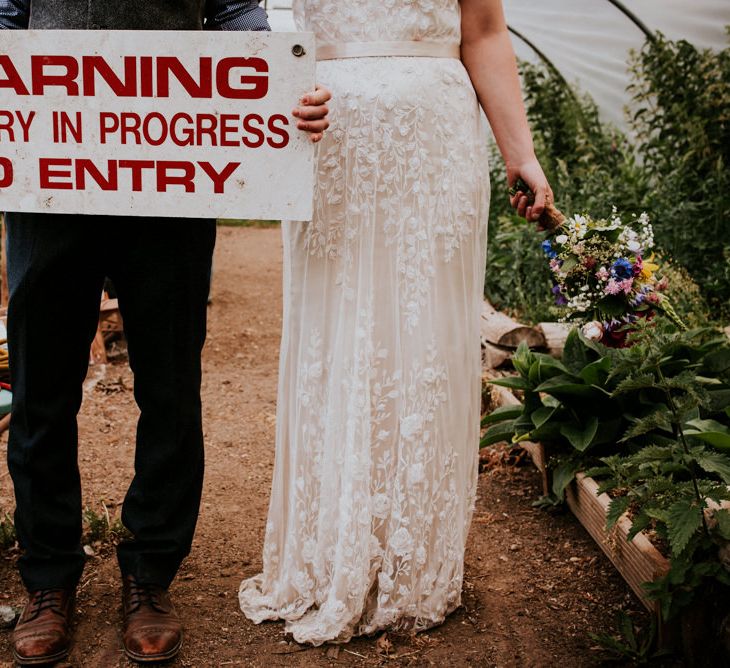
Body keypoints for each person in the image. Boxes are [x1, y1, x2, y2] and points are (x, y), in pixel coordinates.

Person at [0, 1, 330, 665]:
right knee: (41, 383)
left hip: (172, 165)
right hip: (50, 166)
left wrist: (279, 84)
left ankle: (150, 571)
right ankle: (48, 575)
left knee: (171, 384)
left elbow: (237, 11)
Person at [239, 0, 551, 645]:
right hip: (328, 134)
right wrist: (277, 100)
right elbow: (256, 22)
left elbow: (485, 31)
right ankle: (330, 551)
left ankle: (410, 556)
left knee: (424, 335)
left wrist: (521, 152)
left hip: (434, 140)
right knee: (336, 332)